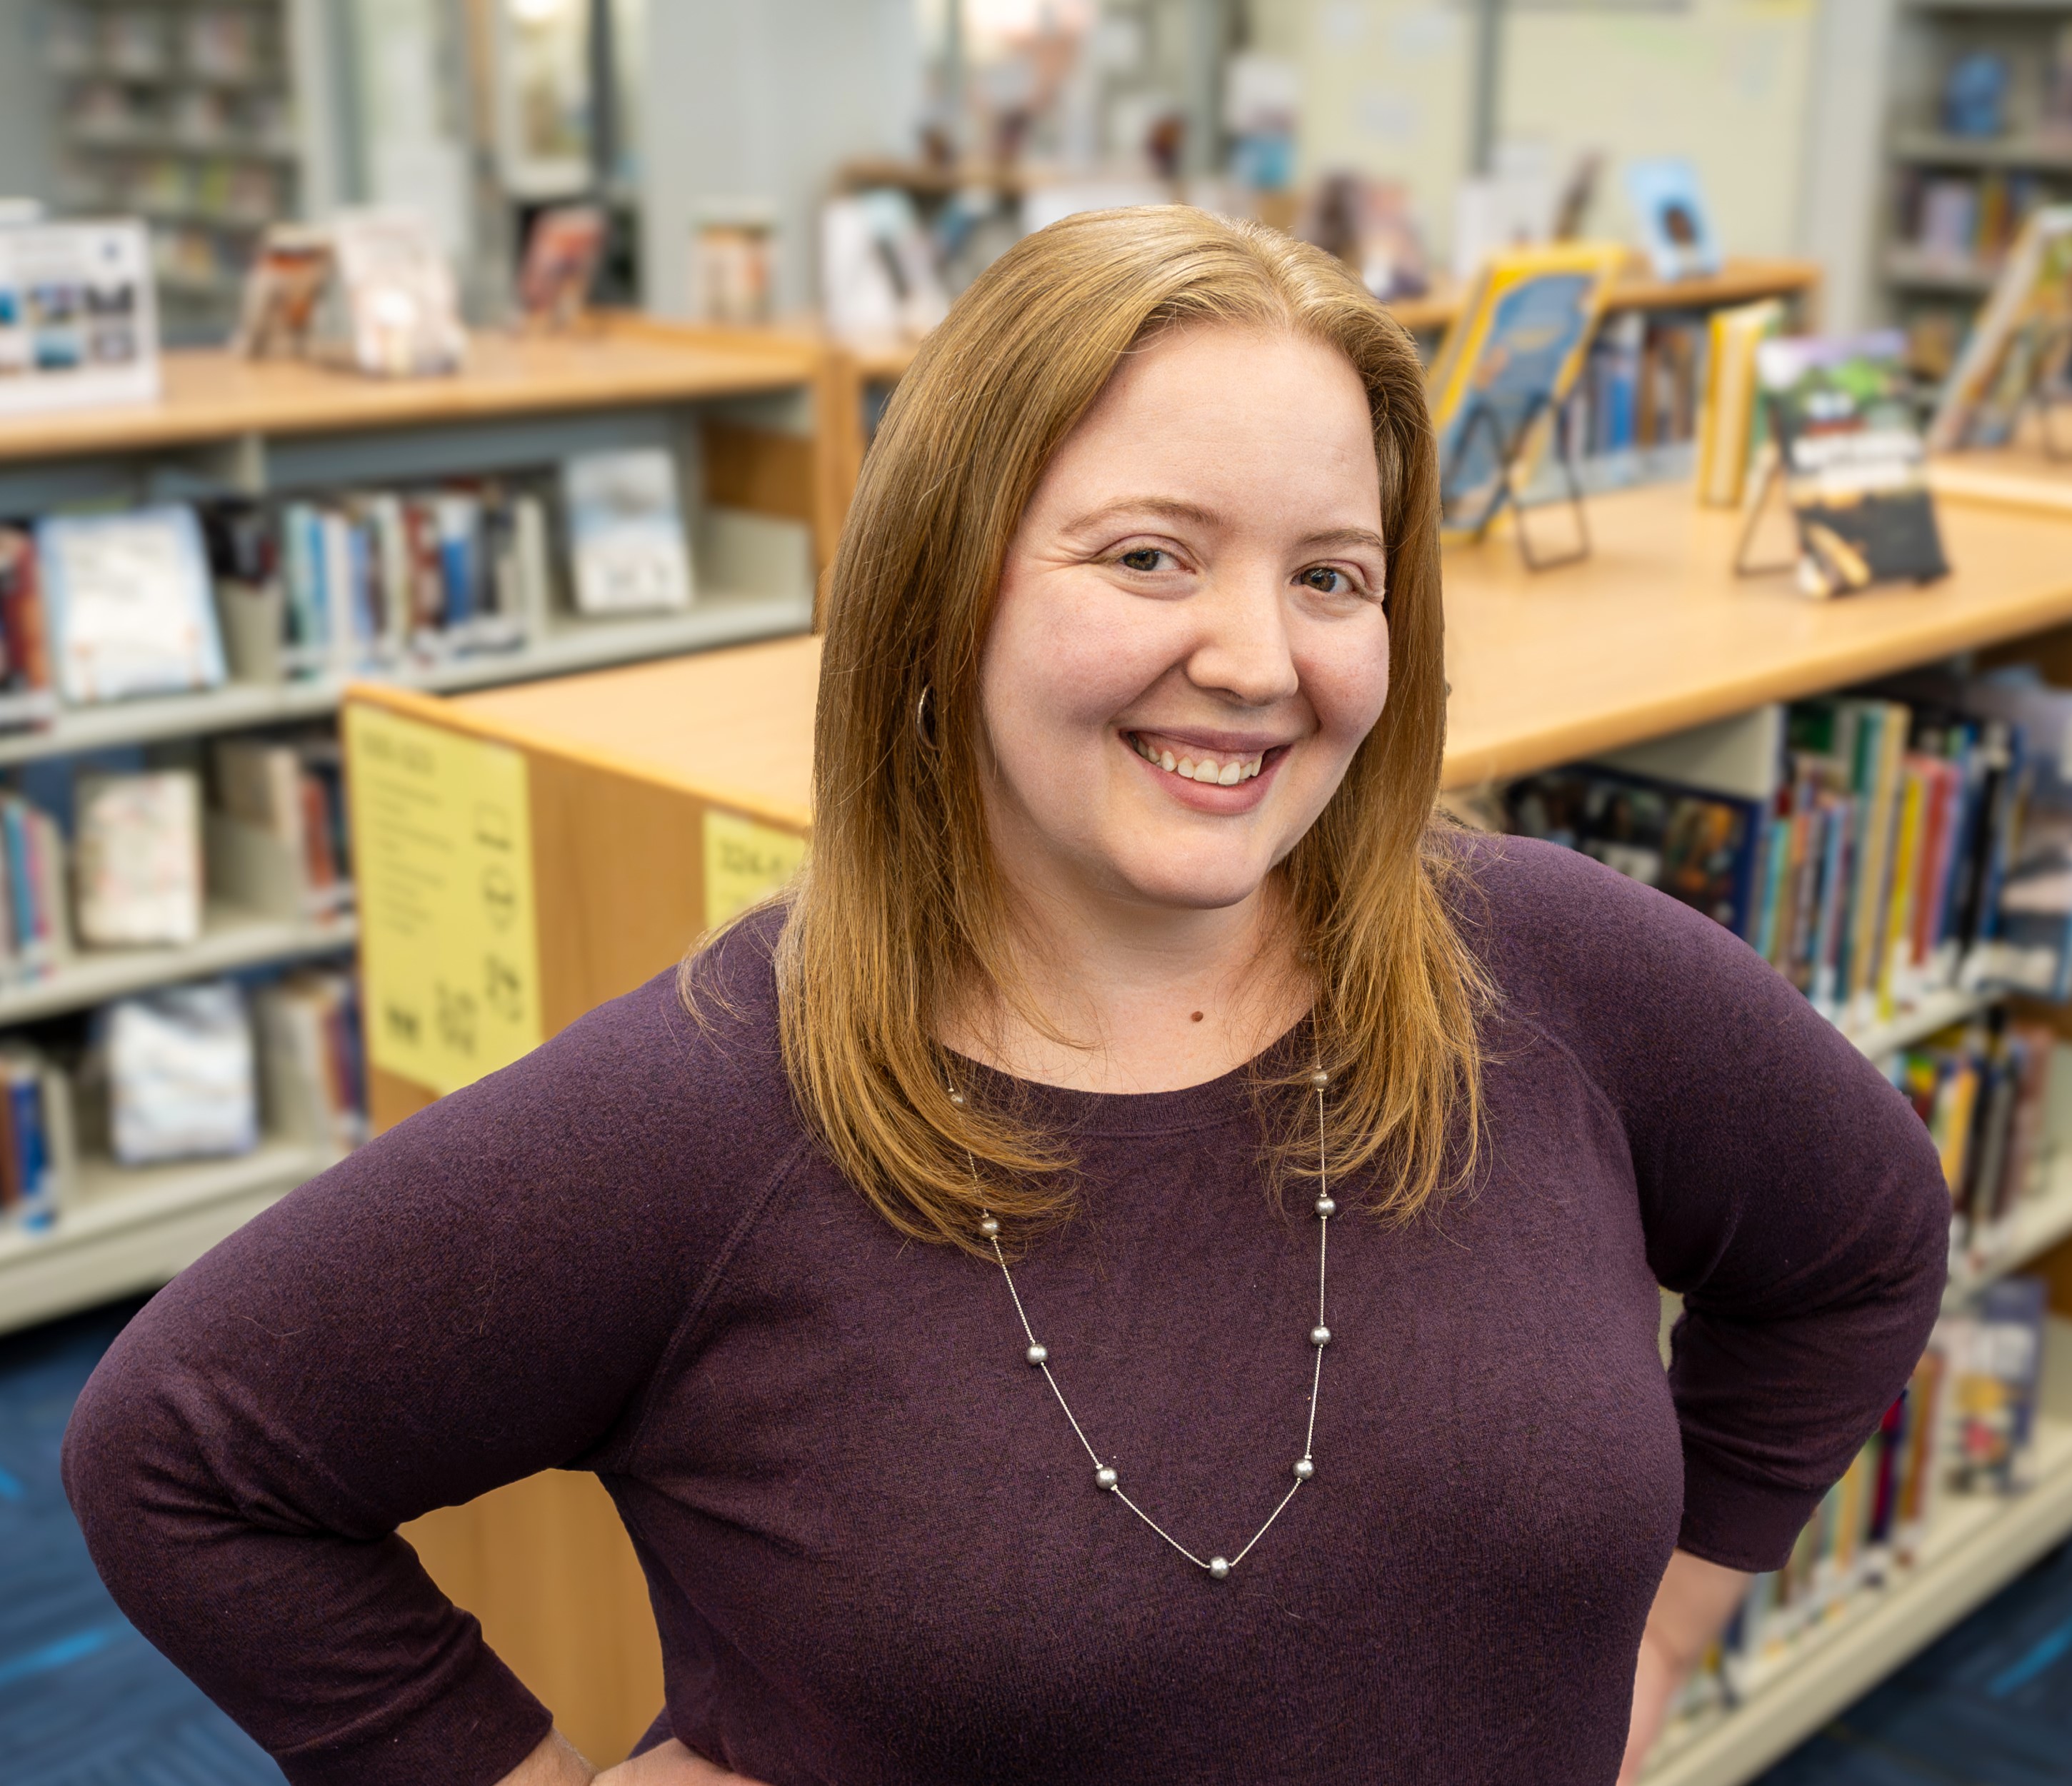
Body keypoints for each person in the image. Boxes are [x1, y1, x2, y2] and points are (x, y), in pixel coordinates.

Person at [64, 210, 1948, 1786]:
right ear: (943, 587)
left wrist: (1674, 1626)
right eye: (1148, 557)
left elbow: (1863, 1237)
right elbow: (181, 1458)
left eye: (1332, 576)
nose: (1257, 660)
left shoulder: (1542, 964)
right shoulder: (714, 1108)